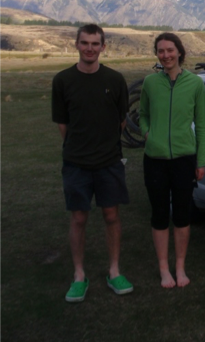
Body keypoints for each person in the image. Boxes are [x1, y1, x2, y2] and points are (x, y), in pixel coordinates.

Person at [52, 24, 133, 302]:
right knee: (78, 218)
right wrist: (78, 147)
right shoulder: (63, 80)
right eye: (85, 43)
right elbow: (63, 123)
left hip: (109, 162)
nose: (89, 48)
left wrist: (104, 144)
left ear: (103, 47)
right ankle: (79, 275)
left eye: (95, 44)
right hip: (76, 162)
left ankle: (114, 271)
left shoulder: (115, 79)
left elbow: (121, 120)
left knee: (111, 215)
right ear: (76, 44)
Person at [139, 33, 205, 288]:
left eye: (170, 50)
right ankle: (163, 269)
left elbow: (202, 124)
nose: (166, 55)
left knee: (181, 216)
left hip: (184, 159)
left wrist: (200, 161)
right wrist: (147, 133)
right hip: (155, 160)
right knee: (159, 215)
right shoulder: (150, 83)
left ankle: (180, 267)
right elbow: (142, 114)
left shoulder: (195, 83)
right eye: (161, 51)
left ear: (179, 52)